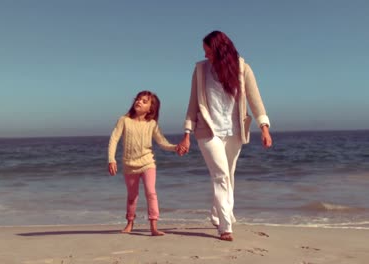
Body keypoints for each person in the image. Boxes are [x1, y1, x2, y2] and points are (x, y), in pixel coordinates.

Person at [177, 30, 273, 241]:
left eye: (208, 51)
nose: (205, 56)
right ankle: (225, 226)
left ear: (220, 50)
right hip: (208, 131)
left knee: (228, 175)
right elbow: (193, 103)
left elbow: (255, 99)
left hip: (234, 131)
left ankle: (217, 213)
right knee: (221, 176)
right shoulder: (200, 70)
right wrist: (186, 133)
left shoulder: (242, 69)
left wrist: (264, 127)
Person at [107, 90, 179, 236]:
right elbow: (114, 139)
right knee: (132, 196)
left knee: (151, 192)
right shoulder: (124, 120)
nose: (139, 102)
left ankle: (153, 226)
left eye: (144, 101)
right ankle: (130, 222)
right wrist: (111, 159)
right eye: (138, 99)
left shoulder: (152, 124)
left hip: (147, 163)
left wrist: (175, 148)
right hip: (129, 165)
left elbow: (162, 143)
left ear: (151, 108)